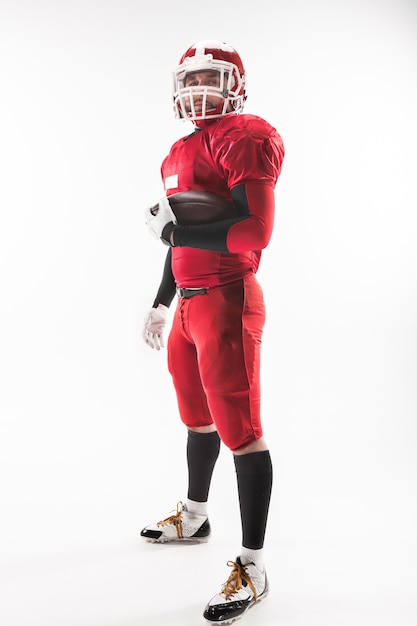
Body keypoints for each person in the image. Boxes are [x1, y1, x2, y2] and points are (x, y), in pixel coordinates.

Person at [141, 40, 285, 624]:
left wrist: (174, 241)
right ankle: (196, 515)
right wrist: (159, 302)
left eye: (211, 76)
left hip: (228, 299)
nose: (198, 88)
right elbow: (179, 234)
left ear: (236, 82)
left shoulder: (247, 135)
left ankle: (253, 564)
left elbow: (254, 231)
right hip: (189, 306)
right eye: (189, 78)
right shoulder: (176, 150)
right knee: (195, 417)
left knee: (241, 430)